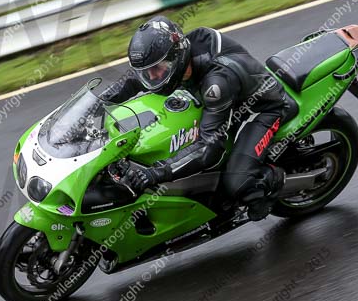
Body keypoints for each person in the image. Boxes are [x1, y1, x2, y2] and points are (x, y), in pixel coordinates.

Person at [100, 15, 297, 221]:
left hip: (262, 108)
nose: (153, 77)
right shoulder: (176, 55)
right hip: (228, 103)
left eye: (156, 69)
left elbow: (209, 148)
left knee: (236, 183)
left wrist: (157, 173)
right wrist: (99, 102)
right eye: (147, 71)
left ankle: (270, 182)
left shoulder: (216, 84)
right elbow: (134, 81)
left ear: (177, 58)